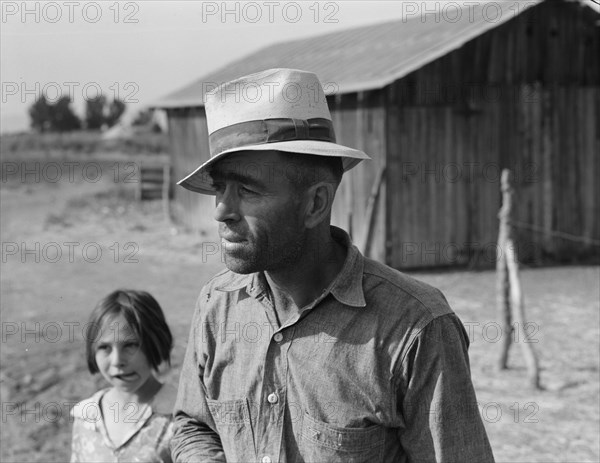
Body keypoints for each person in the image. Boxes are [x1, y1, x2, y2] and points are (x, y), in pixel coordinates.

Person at [171, 68, 495, 462]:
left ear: (315, 204)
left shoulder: (415, 328)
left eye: (247, 191)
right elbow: (194, 425)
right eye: (219, 189)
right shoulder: (216, 305)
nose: (222, 211)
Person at [70, 289, 175, 462]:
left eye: (130, 345)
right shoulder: (86, 416)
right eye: (104, 347)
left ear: (156, 342)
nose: (117, 361)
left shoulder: (179, 417)